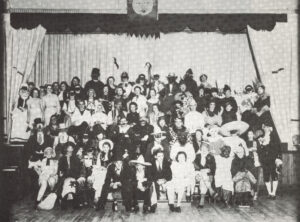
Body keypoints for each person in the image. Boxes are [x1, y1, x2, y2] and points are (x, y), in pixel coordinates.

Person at [257, 123, 282, 199]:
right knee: (266, 176)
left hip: (273, 159)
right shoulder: (261, 138)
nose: (265, 128)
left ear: (270, 128)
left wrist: (278, 159)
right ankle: (269, 193)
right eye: (264, 127)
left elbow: (278, 148)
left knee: (274, 175)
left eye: (267, 127)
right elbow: (259, 150)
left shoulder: (274, 137)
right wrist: (261, 144)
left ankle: (273, 193)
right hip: (265, 160)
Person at [58, 142, 82, 209]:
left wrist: (72, 174)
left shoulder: (76, 159)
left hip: (73, 176)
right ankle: (64, 201)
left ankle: (74, 202)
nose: (70, 150)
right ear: (66, 149)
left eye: (71, 148)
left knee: (72, 182)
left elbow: (77, 169)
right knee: (67, 183)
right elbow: (60, 169)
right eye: (68, 148)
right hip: (64, 177)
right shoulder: (62, 159)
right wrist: (65, 173)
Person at [193, 138, 216, 208]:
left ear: (208, 150)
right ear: (200, 149)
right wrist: (201, 170)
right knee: (203, 174)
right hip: (198, 174)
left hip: (208, 175)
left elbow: (213, 167)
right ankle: (210, 189)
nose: (204, 150)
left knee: (204, 179)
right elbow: (195, 166)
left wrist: (209, 170)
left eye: (205, 149)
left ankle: (201, 201)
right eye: (202, 149)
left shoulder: (211, 157)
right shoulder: (197, 156)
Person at [245, 129, 261, 200]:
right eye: (249, 134)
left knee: (255, 177)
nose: (250, 135)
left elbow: (256, 149)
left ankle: (256, 193)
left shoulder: (256, 142)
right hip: (247, 162)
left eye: (251, 134)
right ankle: (250, 192)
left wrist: (248, 149)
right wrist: (249, 149)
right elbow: (244, 150)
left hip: (255, 161)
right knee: (248, 177)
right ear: (247, 135)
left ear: (253, 135)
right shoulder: (245, 142)